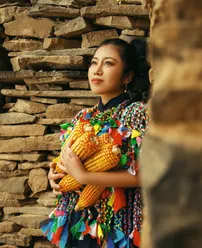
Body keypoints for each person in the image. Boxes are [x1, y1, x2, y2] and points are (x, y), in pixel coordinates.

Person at [40, 38, 150, 248]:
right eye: (94, 62)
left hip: (115, 226)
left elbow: (146, 175)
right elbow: (66, 162)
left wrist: (83, 176)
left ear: (127, 76)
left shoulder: (135, 114)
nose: (97, 70)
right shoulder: (82, 117)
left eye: (108, 63)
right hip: (77, 221)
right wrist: (54, 173)